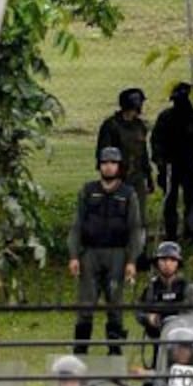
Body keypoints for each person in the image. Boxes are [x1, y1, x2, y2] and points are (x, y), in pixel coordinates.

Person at [67, 148, 144, 357]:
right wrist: (74, 255)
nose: (108, 166)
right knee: (85, 304)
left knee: (115, 304)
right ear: (99, 165)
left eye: (112, 162)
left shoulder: (128, 194)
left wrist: (132, 260)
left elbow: (135, 228)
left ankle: (115, 350)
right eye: (104, 162)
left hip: (117, 255)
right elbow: (76, 225)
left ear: (119, 166)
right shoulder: (88, 190)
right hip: (90, 254)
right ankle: (80, 351)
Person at [151, 82, 193, 245]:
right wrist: (160, 162)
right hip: (170, 165)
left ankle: (191, 233)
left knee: (191, 200)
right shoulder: (167, 117)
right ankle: (172, 234)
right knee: (171, 201)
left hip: (189, 165)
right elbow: (156, 142)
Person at [135, 240, 193, 360]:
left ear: (178, 263)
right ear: (157, 263)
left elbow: (191, 315)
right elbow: (139, 311)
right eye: (163, 260)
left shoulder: (188, 287)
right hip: (158, 339)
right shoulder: (151, 288)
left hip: (183, 341)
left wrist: (171, 322)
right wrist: (148, 317)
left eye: (172, 260)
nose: (167, 264)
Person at [96, 87, 155, 208]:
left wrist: (148, 176)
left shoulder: (139, 125)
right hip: (119, 176)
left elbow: (143, 152)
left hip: (137, 175)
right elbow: (104, 154)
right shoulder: (111, 126)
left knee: (138, 213)